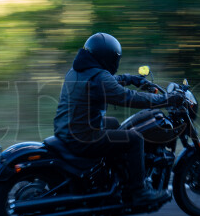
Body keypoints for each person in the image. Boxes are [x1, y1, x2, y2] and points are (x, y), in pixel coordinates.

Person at [53, 32, 184, 204]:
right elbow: (128, 98)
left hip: (67, 129)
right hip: (83, 137)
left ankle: (115, 174)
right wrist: (166, 99)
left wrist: (131, 78)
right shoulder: (99, 77)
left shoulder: (78, 70)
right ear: (107, 57)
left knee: (114, 123)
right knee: (135, 137)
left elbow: (109, 82)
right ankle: (139, 191)